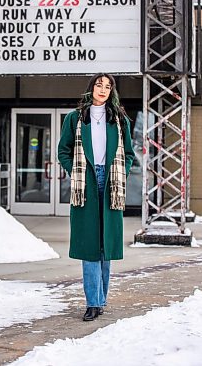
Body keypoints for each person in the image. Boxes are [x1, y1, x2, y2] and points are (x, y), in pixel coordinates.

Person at [58, 73, 135, 322]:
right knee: (90, 245)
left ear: (111, 91)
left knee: (106, 245)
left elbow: (130, 153)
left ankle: (101, 300)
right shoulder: (75, 118)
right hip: (87, 180)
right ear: (91, 88)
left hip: (112, 181)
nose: (103, 89)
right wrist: (76, 171)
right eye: (99, 85)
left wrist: (120, 172)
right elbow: (63, 150)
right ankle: (93, 302)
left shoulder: (119, 119)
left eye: (108, 86)